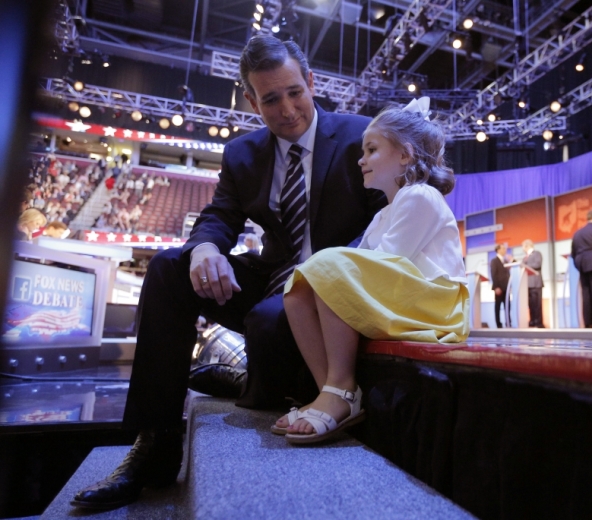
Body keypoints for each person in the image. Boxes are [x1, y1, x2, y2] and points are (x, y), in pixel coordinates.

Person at [71, 35, 386, 510]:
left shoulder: (361, 136)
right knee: (169, 268)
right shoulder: (242, 154)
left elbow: (383, 222)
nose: (286, 109)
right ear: (250, 100)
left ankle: (246, 381)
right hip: (274, 273)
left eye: (295, 92)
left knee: (268, 321)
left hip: (333, 289)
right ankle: (155, 442)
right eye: (271, 98)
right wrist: (203, 250)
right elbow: (219, 217)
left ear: (312, 82)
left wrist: (331, 273)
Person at [275, 98, 469, 444]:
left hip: (437, 306)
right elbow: (365, 266)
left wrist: (332, 269)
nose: (361, 159)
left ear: (405, 155)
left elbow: (389, 261)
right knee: (298, 288)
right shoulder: (382, 214)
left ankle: (342, 390)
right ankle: (331, 393)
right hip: (403, 295)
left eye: (372, 149)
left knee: (326, 266)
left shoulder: (421, 196)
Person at [521, 239, 544, 328]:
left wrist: (526, 266)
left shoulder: (537, 253)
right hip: (527, 284)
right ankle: (532, 321)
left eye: (523, 246)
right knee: (530, 304)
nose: (522, 248)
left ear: (527, 246)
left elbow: (537, 265)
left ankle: (538, 322)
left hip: (536, 283)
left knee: (537, 304)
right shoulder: (524, 258)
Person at [490, 243, 511, 328]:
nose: (505, 250)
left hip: (507, 287)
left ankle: (508, 323)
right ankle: (498, 325)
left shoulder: (506, 261)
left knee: (507, 306)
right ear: (498, 250)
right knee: (497, 307)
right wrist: (496, 287)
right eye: (503, 248)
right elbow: (493, 274)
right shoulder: (494, 261)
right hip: (499, 288)